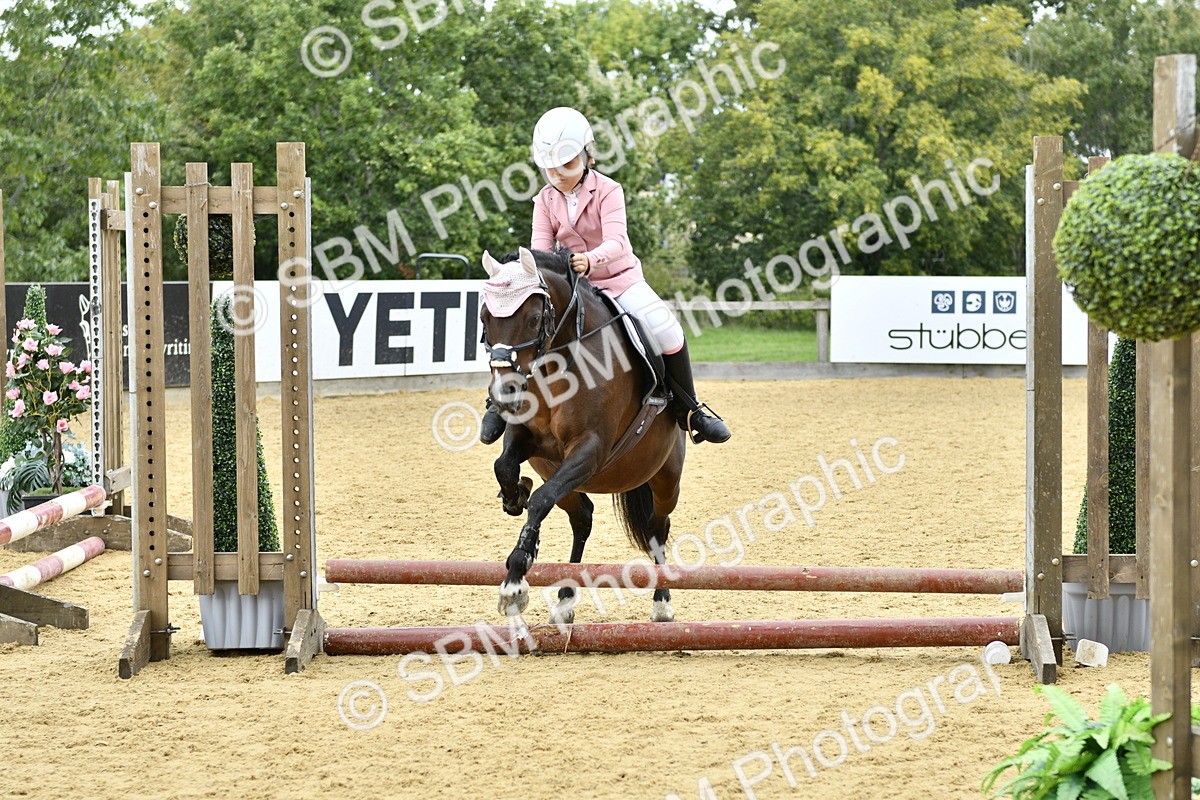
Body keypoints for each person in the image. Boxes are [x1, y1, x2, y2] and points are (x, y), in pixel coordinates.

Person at [480, 106, 731, 447]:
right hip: (574, 289)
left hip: (619, 280)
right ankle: (500, 403)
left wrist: (589, 259)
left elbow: (618, 241)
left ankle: (690, 412)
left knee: (667, 329)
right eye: (549, 168)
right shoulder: (544, 199)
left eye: (566, 165)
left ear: (588, 156)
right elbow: (539, 251)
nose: (557, 175)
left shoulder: (610, 190)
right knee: (527, 329)